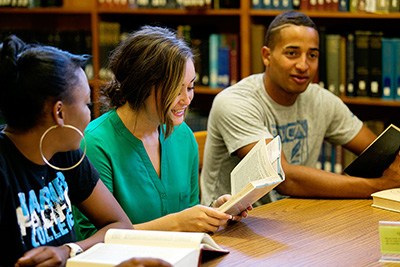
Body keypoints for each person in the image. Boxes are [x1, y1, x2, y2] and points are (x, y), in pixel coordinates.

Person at [0, 34, 172, 267]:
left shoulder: (64, 150)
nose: (90, 113)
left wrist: (69, 250)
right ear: (59, 113)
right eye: (86, 104)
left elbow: (120, 226)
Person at [200, 10, 400, 206]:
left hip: (295, 218)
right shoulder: (236, 102)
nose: (303, 65)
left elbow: (381, 154)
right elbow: (284, 179)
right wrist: (378, 186)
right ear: (266, 56)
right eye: (292, 53)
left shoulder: (320, 100)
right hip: (229, 227)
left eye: (312, 55)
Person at [73, 25, 249, 240]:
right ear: (142, 86)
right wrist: (177, 224)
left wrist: (213, 212)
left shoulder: (183, 136)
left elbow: (187, 213)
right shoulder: (95, 143)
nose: (186, 99)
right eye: (176, 90)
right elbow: (93, 238)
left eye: (190, 87)